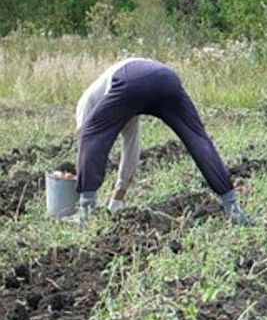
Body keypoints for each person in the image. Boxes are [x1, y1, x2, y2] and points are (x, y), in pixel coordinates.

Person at [73, 58, 249, 224]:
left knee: (91, 137)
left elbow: (87, 140)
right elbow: (131, 150)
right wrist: (118, 197)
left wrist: (83, 181)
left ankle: (85, 213)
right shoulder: (120, 106)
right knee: (196, 137)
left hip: (130, 79)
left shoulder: (87, 101)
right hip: (167, 78)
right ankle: (232, 207)